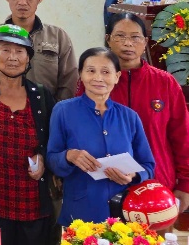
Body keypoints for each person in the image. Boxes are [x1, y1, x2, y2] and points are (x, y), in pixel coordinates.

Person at [77, 13, 189, 216]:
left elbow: (182, 136)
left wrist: (185, 184)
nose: (128, 43)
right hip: (104, 185)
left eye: (135, 37)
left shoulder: (165, 82)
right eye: (120, 36)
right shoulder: (93, 83)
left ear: (145, 42)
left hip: (156, 186)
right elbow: (78, 131)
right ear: (108, 39)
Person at [48, 47, 156, 224]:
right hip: (80, 213)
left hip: (124, 214)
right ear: (81, 74)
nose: (98, 78)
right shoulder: (63, 110)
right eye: (91, 71)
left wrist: (134, 175)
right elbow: (52, 159)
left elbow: (148, 165)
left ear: (117, 76)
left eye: (106, 72)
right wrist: (69, 156)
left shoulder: (129, 117)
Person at [0, 25, 58, 245]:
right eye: (5, 50)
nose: (12, 57)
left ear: (28, 57)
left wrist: (42, 157)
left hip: (31, 202)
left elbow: (55, 140)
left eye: (20, 51)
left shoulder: (41, 95)